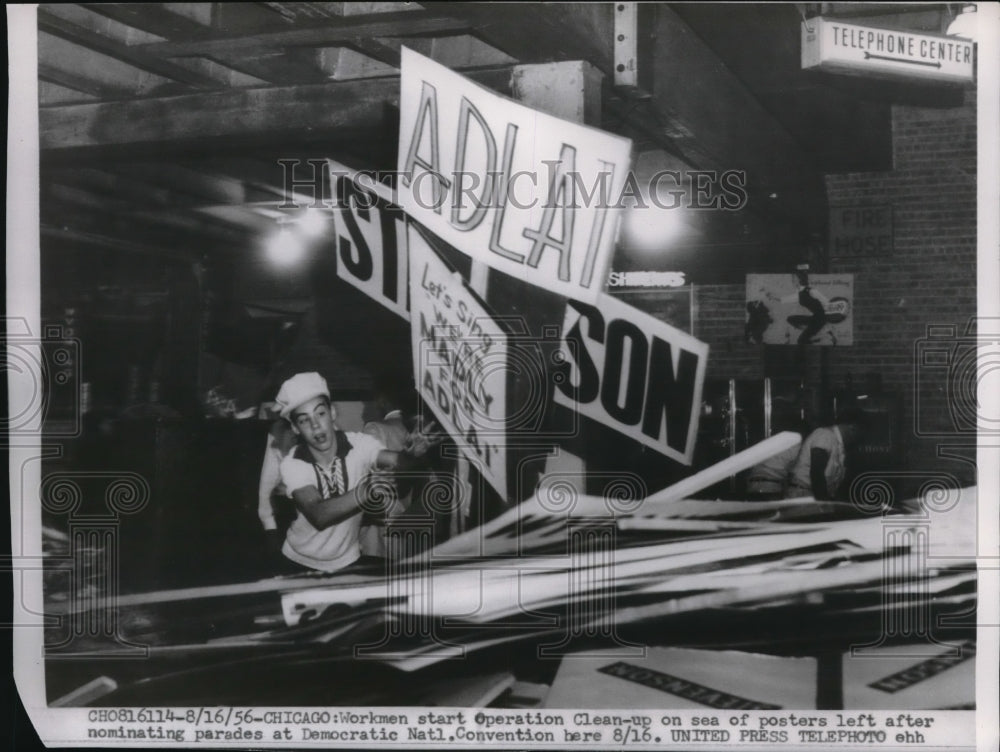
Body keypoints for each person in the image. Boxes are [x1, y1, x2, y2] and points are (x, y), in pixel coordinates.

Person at [272, 372, 437, 574]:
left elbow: (397, 461)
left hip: (348, 560)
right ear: (296, 429)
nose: (315, 425)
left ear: (332, 413)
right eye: (304, 420)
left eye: (320, 413)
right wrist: (366, 489)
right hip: (299, 562)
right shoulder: (293, 463)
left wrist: (412, 454)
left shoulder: (358, 444)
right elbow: (319, 514)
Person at [785, 410, 863, 501]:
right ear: (853, 427)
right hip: (803, 495)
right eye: (860, 432)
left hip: (810, 496)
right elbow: (817, 473)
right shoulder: (825, 435)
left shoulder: (838, 444)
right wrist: (824, 503)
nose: (858, 438)